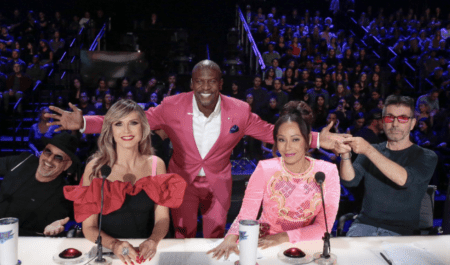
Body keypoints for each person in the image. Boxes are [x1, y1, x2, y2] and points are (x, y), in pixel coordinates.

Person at [46, 60, 342, 239]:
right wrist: (84, 122)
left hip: (219, 182)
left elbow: (269, 132)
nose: (205, 87)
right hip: (181, 181)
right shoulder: (172, 105)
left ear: (220, 83)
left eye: (211, 82)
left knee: (216, 234)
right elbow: (135, 120)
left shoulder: (239, 110)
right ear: (192, 83)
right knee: (182, 234)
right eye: (199, 81)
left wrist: (317, 139)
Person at [62, 100, 186, 263]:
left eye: (133, 123)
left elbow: (162, 219)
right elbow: (89, 228)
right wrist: (115, 245)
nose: (126, 130)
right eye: (118, 124)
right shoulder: (95, 168)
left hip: (146, 252)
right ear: (110, 130)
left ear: (143, 127)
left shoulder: (156, 164)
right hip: (107, 252)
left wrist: (153, 240)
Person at [208, 111, 340, 259]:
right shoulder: (265, 169)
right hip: (263, 245)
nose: (287, 147)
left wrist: (282, 237)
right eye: (281, 140)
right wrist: (230, 238)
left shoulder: (327, 171)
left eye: (295, 139)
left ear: (308, 140)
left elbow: (324, 227)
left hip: (305, 245)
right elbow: (247, 214)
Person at [334, 95, 438, 236]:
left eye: (402, 118)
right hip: (364, 225)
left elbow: (404, 179)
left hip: (401, 232)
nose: (395, 124)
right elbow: (350, 180)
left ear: (412, 124)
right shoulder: (371, 150)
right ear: (383, 122)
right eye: (390, 118)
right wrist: (345, 155)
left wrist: (368, 150)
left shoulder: (426, 156)